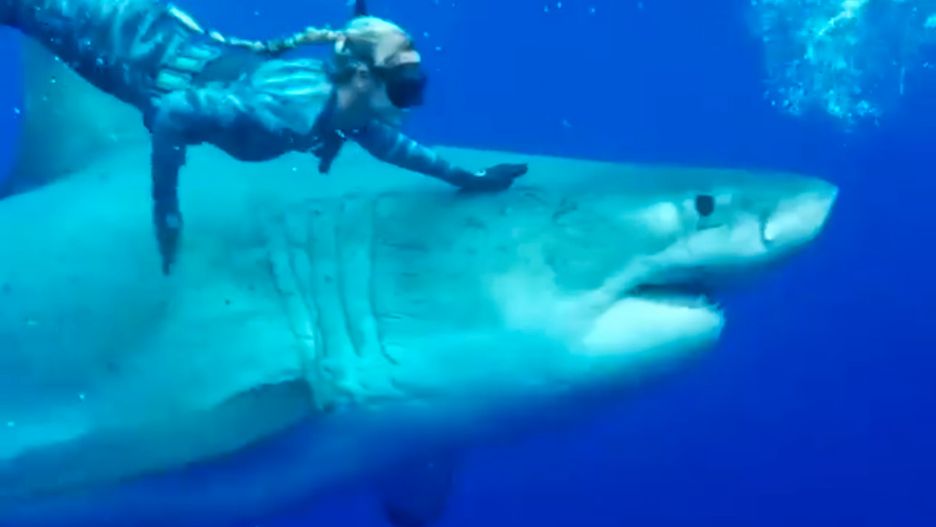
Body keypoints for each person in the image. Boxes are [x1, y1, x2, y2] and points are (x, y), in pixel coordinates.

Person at [2, 0, 528, 274]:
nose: (412, 104)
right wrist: (166, 208)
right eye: (407, 88)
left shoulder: (349, 110)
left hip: (166, 41)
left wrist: (471, 178)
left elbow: (400, 151)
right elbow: (173, 113)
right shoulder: (289, 115)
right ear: (362, 78)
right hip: (132, 53)